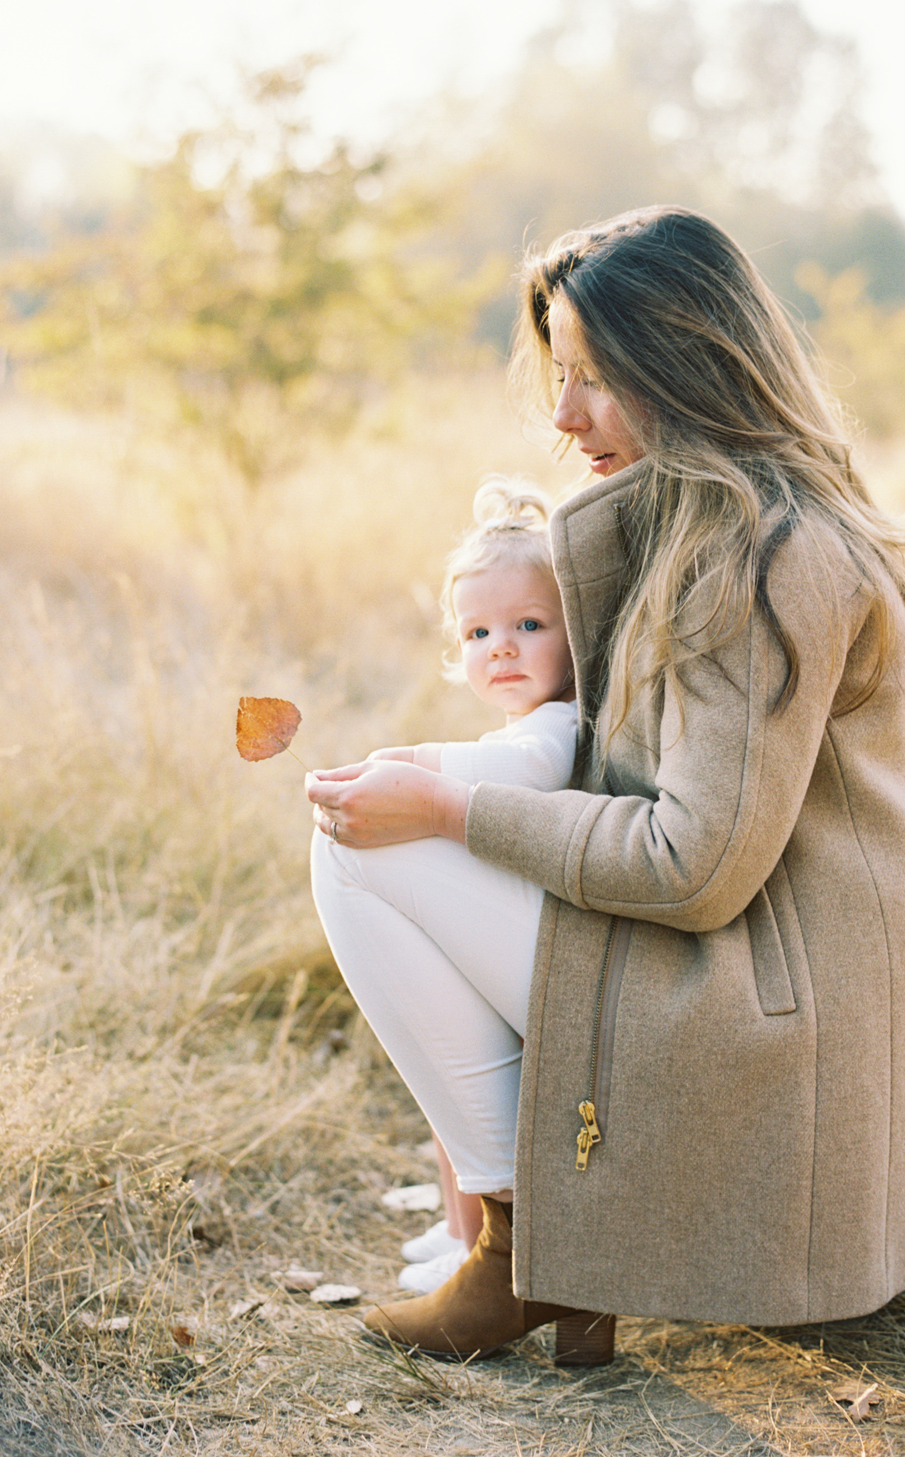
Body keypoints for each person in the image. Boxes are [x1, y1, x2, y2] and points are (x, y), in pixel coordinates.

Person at [306, 205, 905, 1368]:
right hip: (787, 988)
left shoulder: (759, 554)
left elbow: (693, 866)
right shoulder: (729, 517)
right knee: (385, 813)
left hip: (771, 1020)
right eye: (562, 378)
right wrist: (448, 777)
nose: (564, 419)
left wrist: (453, 808)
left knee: (366, 846)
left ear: (691, 362)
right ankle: (519, 1231)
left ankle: (518, 1246)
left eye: (598, 379)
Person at [309, 477, 580, 1285]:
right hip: (526, 925)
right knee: (443, 1060)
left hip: (562, 940)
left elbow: (525, 775)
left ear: (575, 635)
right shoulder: (513, 725)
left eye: (529, 625)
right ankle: (460, 1222)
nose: (501, 646)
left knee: (466, 1062)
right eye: (479, 630)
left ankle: (480, 1244)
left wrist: (416, 764)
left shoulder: (556, 726)